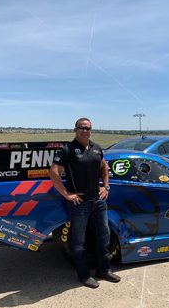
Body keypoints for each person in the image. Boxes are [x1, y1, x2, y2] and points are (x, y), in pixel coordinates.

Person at [49, 117, 121, 289]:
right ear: (75, 130)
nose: (85, 131)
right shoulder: (66, 149)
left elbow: (104, 167)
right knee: (78, 241)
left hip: (98, 201)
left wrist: (106, 187)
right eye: (81, 128)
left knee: (104, 236)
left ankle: (103, 270)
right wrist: (67, 194)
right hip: (79, 203)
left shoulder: (96, 148)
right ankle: (83, 275)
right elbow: (54, 173)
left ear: (91, 130)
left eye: (88, 128)